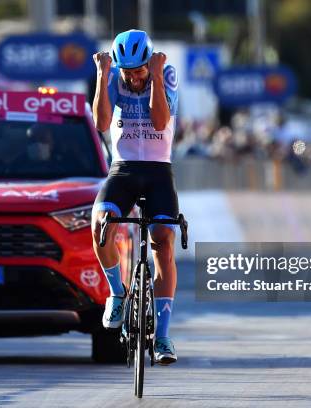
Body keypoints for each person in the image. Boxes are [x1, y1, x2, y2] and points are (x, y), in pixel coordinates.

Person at [91, 29, 180, 365]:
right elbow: (101, 122)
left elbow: (159, 123)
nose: (133, 78)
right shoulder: (112, 78)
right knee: (101, 225)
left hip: (158, 171)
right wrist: (103, 75)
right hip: (124, 169)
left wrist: (155, 75)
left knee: (163, 241)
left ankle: (164, 337)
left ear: (150, 62)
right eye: (127, 72)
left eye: (139, 70)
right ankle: (116, 292)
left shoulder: (165, 74)